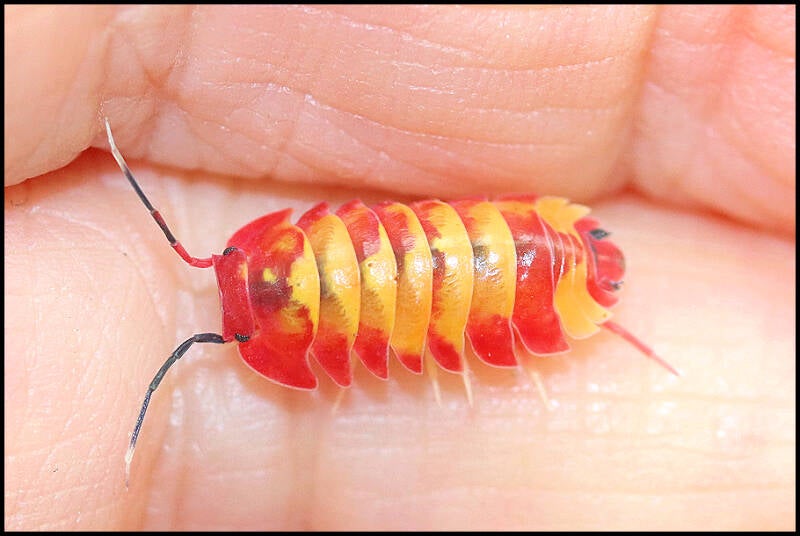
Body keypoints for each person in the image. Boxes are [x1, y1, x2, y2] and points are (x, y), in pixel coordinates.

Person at [4, 5, 794, 530]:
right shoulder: (314, 238)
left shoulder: (322, 346)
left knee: (420, 318)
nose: (232, 296)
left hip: (517, 249)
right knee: (414, 281)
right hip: (489, 244)